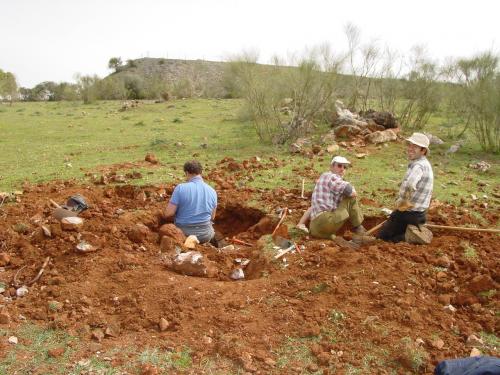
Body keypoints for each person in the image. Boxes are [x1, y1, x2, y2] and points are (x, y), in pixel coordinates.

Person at [377, 132, 434, 243]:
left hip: (409, 213)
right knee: (395, 232)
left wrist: (403, 201)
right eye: (410, 145)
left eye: (415, 147)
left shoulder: (418, 166)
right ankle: (406, 237)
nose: (410, 148)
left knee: (383, 236)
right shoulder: (425, 164)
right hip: (420, 214)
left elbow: (410, 184)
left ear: (423, 151)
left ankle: (405, 239)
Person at [308, 156, 368, 239]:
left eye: (345, 167)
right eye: (339, 166)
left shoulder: (323, 178)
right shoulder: (331, 176)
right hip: (325, 221)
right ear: (331, 167)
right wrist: (352, 191)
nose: (342, 169)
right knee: (350, 199)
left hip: (314, 229)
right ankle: (359, 228)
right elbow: (350, 191)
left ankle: (336, 238)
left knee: (333, 236)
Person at [163, 160, 217, 243]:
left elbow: (168, 214)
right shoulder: (212, 190)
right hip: (205, 235)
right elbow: (212, 217)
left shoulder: (180, 188)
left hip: (185, 234)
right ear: (201, 172)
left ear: (187, 172)